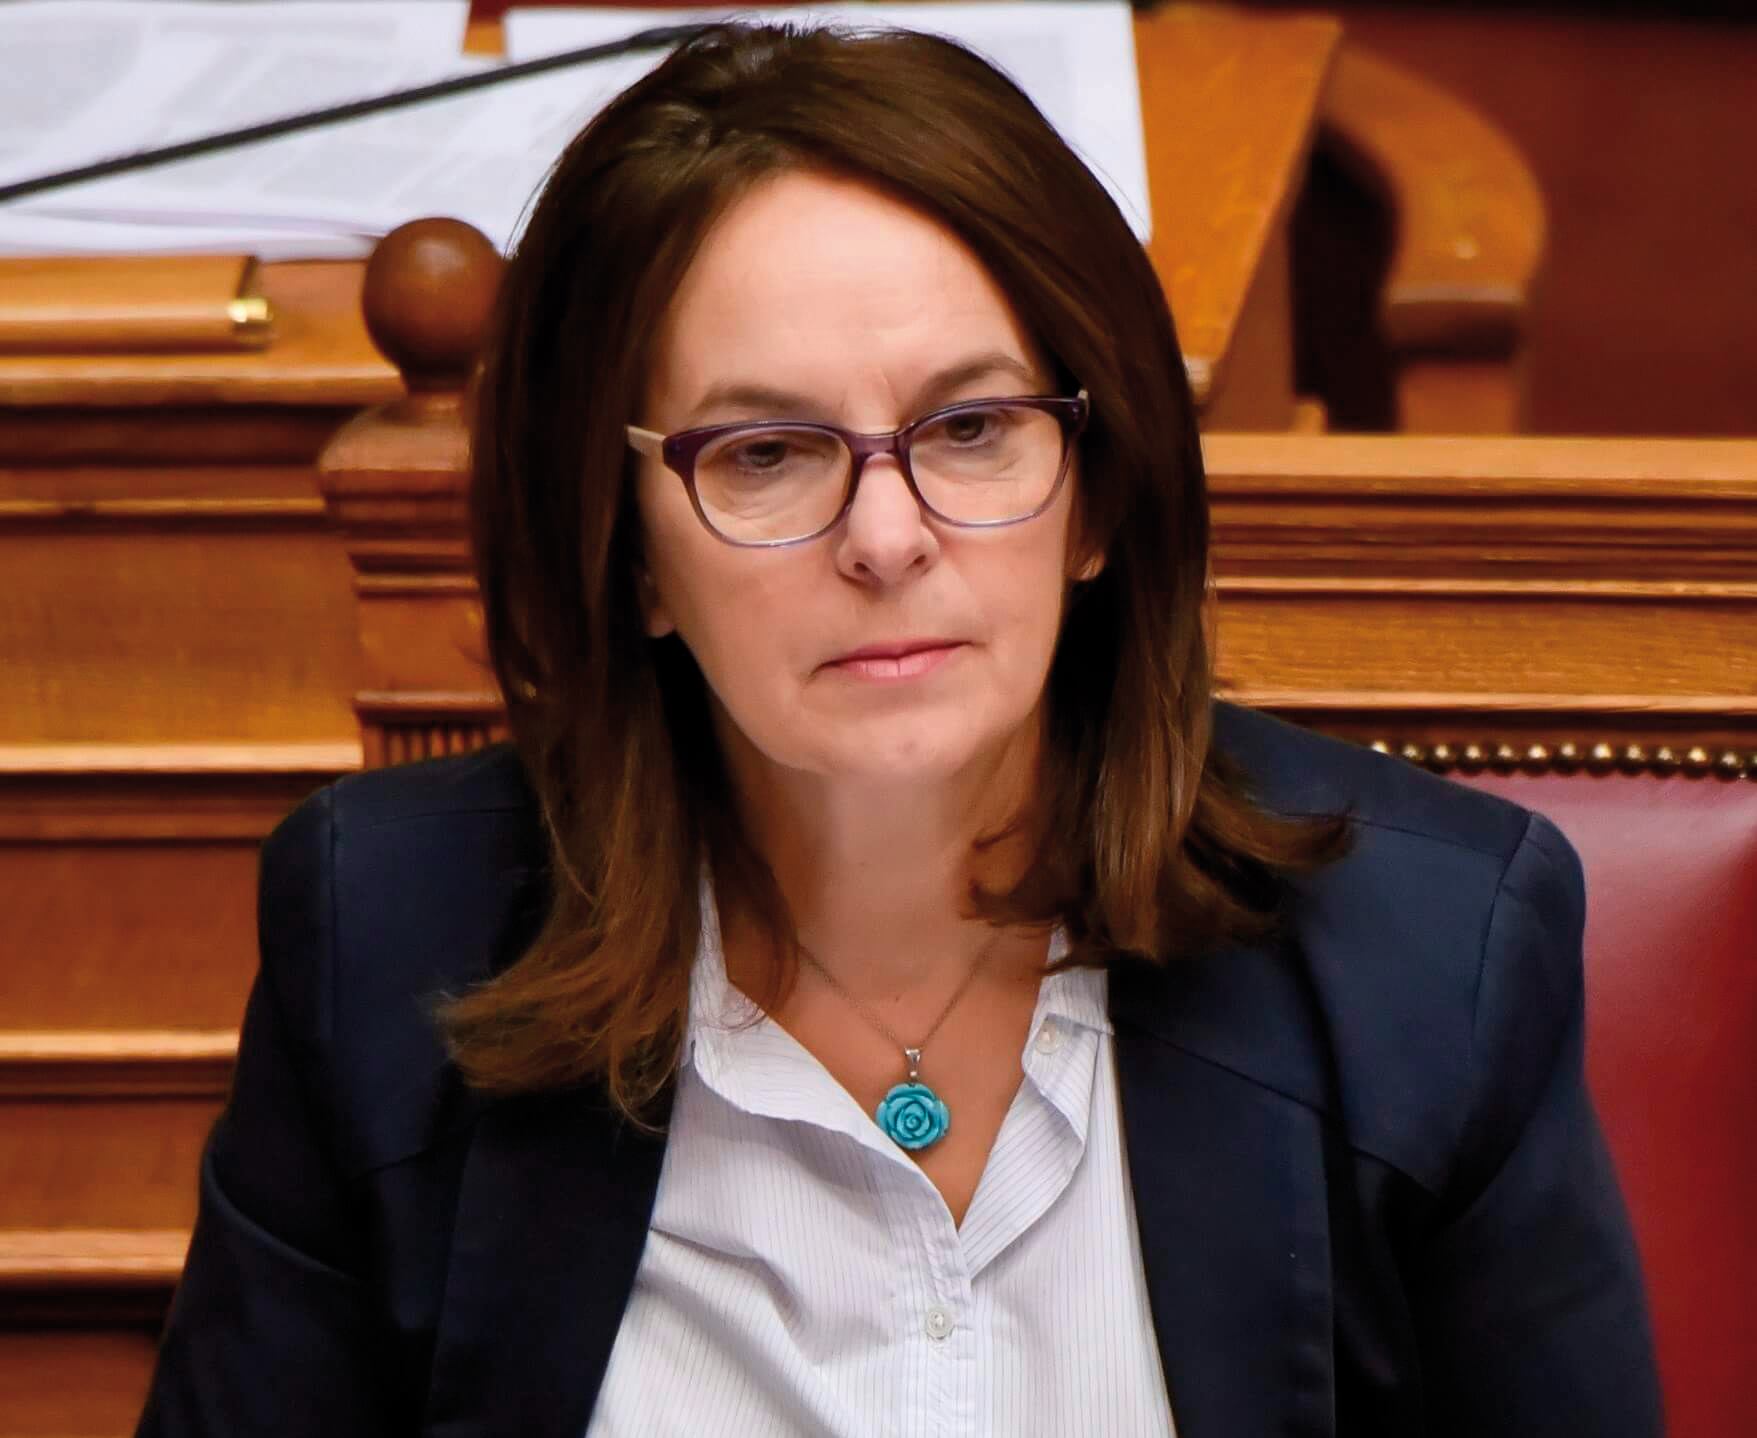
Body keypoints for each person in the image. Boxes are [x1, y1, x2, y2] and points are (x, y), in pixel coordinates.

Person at [136, 21, 1660, 1438]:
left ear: (1094, 499)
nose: (885, 537)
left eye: (972, 428)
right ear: (630, 551)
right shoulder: (386, 939)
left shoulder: (1429, 957)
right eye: (767, 452)